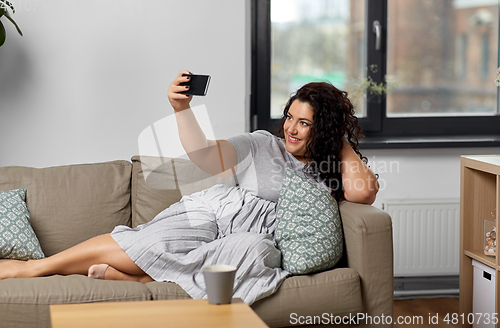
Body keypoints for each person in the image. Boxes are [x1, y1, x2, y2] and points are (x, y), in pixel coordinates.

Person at [0, 71, 378, 303]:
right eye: (289, 118)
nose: (291, 129)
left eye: (305, 123)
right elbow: (206, 155)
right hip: (213, 214)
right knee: (153, 243)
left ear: (323, 127)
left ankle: (144, 279)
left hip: (248, 237)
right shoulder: (263, 143)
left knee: (249, 254)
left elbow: (363, 193)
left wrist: (339, 136)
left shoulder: (329, 168)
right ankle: (36, 268)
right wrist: (182, 109)